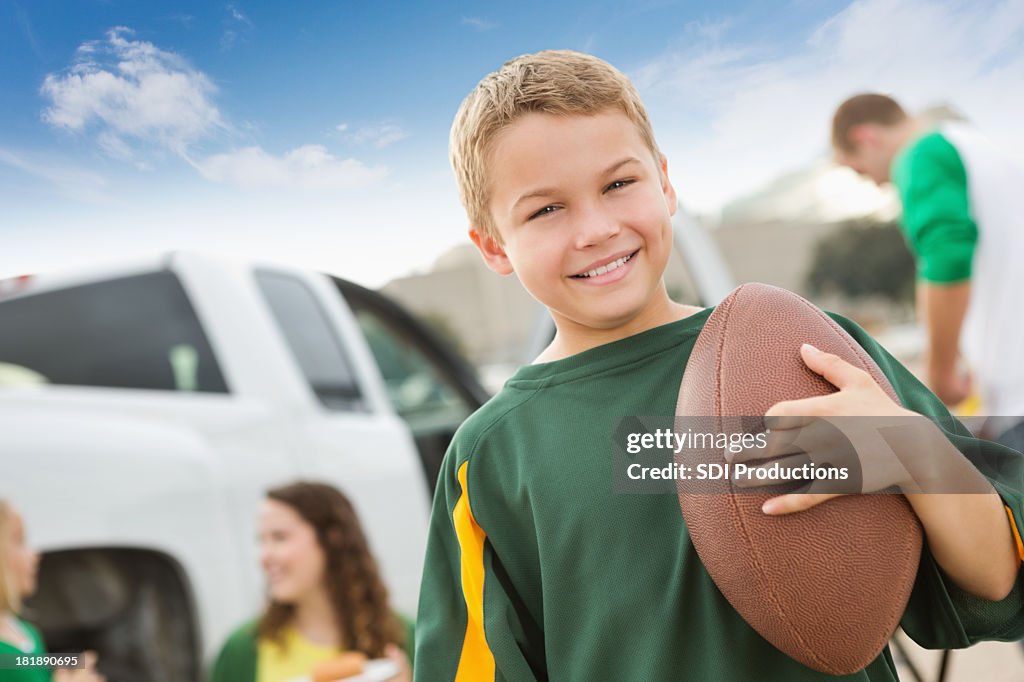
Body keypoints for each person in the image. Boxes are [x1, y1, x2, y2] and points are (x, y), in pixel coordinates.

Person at [413, 50, 1024, 681]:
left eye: (619, 184)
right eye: (545, 209)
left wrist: (908, 450)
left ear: (666, 184)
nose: (595, 228)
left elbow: (999, 576)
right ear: (492, 245)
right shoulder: (490, 456)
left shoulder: (814, 356)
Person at [831, 93, 1024, 452]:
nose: (875, 183)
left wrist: (940, 374)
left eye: (860, 171)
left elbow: (947, 256)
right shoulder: (977, 147)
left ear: (865, 138)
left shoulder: (920, 154)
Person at [211, 482, 412, 682]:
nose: (263, 556)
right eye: (261, 540)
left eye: (280, 537)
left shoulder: (408, 638)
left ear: (333, 539)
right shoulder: (242, 650)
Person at [0, 500, 104, 682]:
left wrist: (69, 667)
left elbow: (20, 663)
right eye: (19, 541)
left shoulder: (25, 632)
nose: (34, 555)